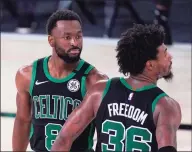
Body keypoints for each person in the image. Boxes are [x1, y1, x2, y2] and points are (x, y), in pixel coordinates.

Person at [51, 24, 182, 152]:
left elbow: (63, 139)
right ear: (150, 65)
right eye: (165, 54)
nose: (170, 57)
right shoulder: (165, 106)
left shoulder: (99, 91)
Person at [12, 10, 108, 152]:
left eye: (78, 36)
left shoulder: (95, 81)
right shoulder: (28, 75)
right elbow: (23, 121)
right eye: (67, 37)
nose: (74, 43)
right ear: (51, 40)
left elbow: (105, 132)